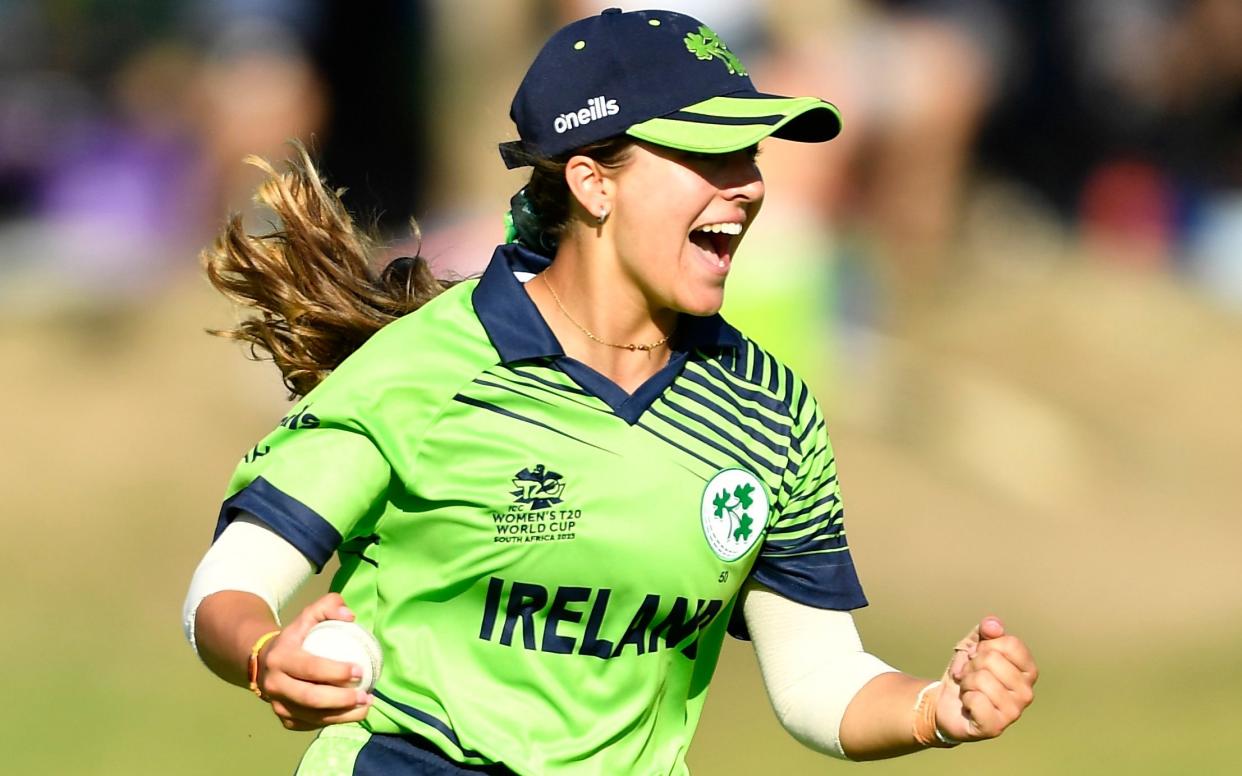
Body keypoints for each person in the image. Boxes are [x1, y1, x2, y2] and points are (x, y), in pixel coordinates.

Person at [183, 9, 1037, 775]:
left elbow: (817, 675)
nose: (745, 184)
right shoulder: (422, 370)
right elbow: (227, 588)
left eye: (750, 153)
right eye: (707, 154)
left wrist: (938, 708)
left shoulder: (768, 411)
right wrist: (264, 653)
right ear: (593, 182)